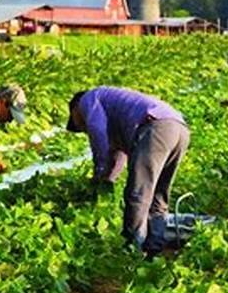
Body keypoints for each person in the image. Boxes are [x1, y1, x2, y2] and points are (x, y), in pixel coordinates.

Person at [66, 87, 190, 258]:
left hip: (156, 127)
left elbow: (98, 135)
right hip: (179, 128)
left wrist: (99, 172)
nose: (83, 128)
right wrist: (107, 181)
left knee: (138, 194)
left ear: (75, 108)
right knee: (158, 196)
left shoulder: (88, 99)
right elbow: (118, 155)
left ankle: (133, 249)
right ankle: (154, 246)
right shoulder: (113, 109)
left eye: (80, 125)